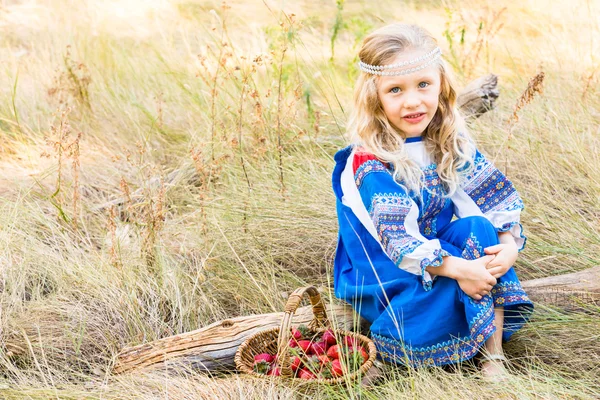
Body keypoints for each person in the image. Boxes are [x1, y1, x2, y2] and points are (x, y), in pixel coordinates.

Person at [331, 23, 533, 380]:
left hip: (438, 247)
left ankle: (493, 353)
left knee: (480, 230)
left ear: (441, 83)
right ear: (375, 97)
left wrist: (507, 246)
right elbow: (396, 239)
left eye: (423, 84)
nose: (413, 101)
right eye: (395, 90)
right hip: (383, 261)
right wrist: (459, 268)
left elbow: (490, 197)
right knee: (439, 282)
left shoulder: (448, 140)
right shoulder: (370, 160)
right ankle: (394, 349)